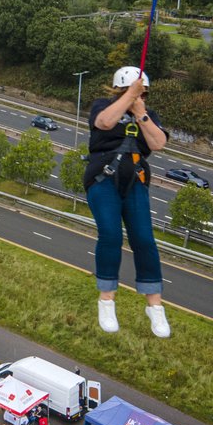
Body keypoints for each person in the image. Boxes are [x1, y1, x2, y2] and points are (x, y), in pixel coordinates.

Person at [84, 66, 171, 338]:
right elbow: (105, 123)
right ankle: (106, 301)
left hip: (135, 179)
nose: (139, 95)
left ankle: (154, 307)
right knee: (110, 234)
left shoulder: (147, 114)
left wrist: (140, 113)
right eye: (135, 91)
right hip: (103, 178)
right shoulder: (103, 106)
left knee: (144, 239)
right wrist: (127, 99)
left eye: (142, 92)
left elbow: (158, 143)